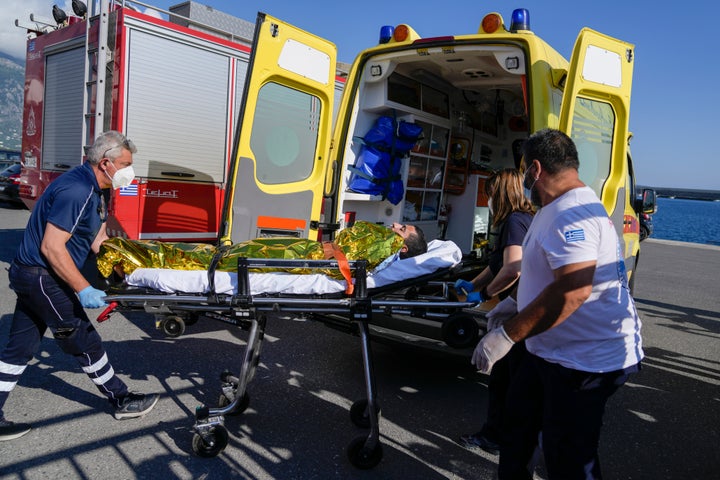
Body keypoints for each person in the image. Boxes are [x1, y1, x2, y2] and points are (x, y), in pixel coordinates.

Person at [473, 129, 643, 479]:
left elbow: (572, 290)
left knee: (567, 455)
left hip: (583, 361)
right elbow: (546, 273)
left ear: (535, 170)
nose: (522, 180)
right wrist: (516, 303)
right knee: (517, 426)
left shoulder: (571, 214)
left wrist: (507, 336)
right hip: (549, 350)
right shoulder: (554, 207)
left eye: (523, 171)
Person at [0, 131, 159, 442]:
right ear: (105, 163)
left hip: (35, 276)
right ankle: (121, 399)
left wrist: (126, 268)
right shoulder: (77, 190)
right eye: (126, 163)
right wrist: (84, 288)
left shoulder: (94, 189)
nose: (130, 170)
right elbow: (52, 248)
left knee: (20, 348)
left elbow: (97, 239)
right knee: (83, 338)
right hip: (41, 276)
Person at [454, 168, 534, 454]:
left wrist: (484, 295)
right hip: (522, 306)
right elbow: (496, 264)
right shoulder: (522, 219)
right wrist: (471, 285)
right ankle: (502, 436)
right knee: (508, 379)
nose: (487, 200)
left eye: (489, 194)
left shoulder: (514, 221)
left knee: (504, 380)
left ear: (499, 194)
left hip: (518, 309)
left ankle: (497, 437)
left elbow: (514, 267)